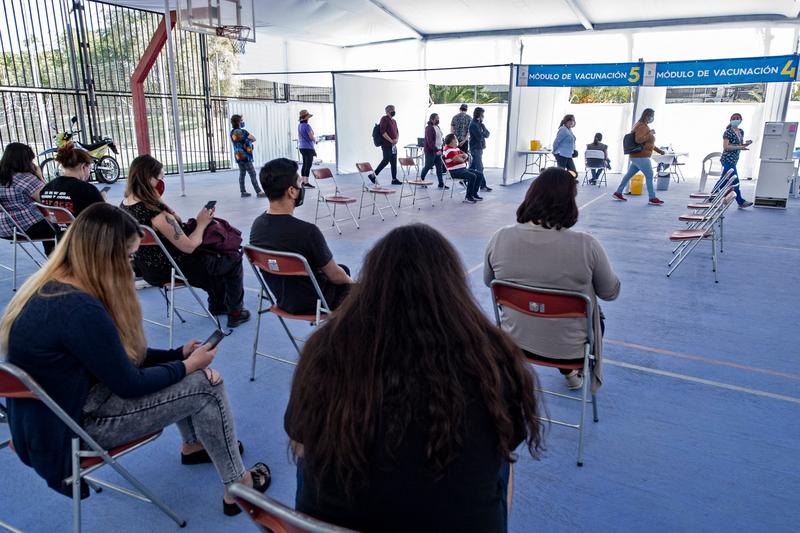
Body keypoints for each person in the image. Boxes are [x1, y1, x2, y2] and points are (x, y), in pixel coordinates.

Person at [0, 203, 270, 516]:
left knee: (185, 373)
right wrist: (187, 365)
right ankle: (240, 487)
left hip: (49, 422)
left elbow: (113, 358)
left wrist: (175, 356)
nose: (132, 266)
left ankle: (195, 444)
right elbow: (128, 383)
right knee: (205, 386)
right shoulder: (81, 310)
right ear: (106, 256)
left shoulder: (52, 289)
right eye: (129, 256)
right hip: (79, 428)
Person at [285, 223, 543, 532]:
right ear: (451, 288)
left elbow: (299, 440)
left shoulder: (326, 349)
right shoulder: (493, 359)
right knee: (501, 461)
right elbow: (507, 438)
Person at [484, 168, 621, 390]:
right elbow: (610, 292)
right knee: (588, 311)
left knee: (536, 303)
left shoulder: (500, 238)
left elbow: (489, 282)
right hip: (570, 350)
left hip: (514, 341)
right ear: (570, 203)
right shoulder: (587, 245)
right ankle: (570, 370)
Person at [121, 155, 250, 328]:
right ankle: (235, 312)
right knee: (231, 258)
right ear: (149, 179)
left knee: (212, 255)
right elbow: (189, 246)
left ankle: (219, 304)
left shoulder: (125, 206)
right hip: (173, 268)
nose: (162, 183)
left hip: (146, 267)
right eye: (161, 178)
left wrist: (158, 200)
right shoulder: (157, 214)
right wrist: (202, 222)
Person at [250, 158, 353, 315]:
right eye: (300, 183)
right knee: (346, 278)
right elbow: (334, 275)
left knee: (341, 270)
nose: (302, 187)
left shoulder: (257, 226)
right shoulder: (308, 232)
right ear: (291, 191)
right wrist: (354, 284)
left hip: (284, 301)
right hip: (317, 304)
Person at [0, 142, 59, 255]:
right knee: (63, 225)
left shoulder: (3, 177)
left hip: (4, 229)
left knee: (45, 220)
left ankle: (54, 261)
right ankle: (56, 261)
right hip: (24, 228)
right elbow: (47, 199)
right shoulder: (25, 178)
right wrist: (40, 176)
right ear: (24, 161)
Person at [40, 142, 104, 226]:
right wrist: (103, 200)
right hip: (84, 236)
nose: (90, 172)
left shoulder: (46, 188)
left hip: (60, 236)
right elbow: (104, 218)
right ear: (83, 166)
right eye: (90, 168)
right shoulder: (87, 190)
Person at [613, 108, 665, 205]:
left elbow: (648, 143)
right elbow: (639, 140)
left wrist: (659, 151)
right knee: (649, 175)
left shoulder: (640, 125)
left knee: (629, 175)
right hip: (641, 156)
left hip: (636, 156)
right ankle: (652, 198)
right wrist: (650, 133)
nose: (652, 118)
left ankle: (618, 192)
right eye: (652, 116)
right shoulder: (642, 127)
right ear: (647, 116)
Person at [716, 113, 754, 208]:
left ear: (741, 120)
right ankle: (741, 201)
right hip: (727, 159)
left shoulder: (741, 131)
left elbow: (739, 145)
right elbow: (726, 147)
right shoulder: (728, 132)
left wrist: (745, 145)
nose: (735, 120)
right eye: (734, 118)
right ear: (730, 120)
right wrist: (740, 147)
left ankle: (712, 196)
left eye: (737, 118)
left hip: (734, 159)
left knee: (723, 180)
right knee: (735, 180)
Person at [230, 114, 266, 198]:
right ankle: (259, 192)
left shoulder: (232, 132)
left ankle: (243, 191)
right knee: (252, 173)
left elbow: (238, 142)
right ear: (238, 122)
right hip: (245, 156)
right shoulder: (243, 132)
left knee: (242, 173)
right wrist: (248, 141)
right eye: (241, 120)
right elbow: (253, 138)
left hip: (238, 155)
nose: (243, 122)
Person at [443, 134, 481, 204]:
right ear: (452, 140)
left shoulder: (456, 148)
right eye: (455, 138)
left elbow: (466, 155)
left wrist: (460, 156)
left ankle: (474, 194)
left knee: (480, 174)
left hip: (463, 169)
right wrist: (461, 157)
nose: (456, 140)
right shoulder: (447, 150)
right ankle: (468, 197)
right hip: (454, 171)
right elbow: (457, 160)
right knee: (472, 176)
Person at [369, 105, 400, 185]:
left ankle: (394, 179)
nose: (393, 111)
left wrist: (396, 139)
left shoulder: (394, 121)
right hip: (386, 145)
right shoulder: (384, 119)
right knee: (386, 160)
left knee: (394, 162)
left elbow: (397, 132)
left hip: (393, 145)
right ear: (387, 111)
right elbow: (383, 132)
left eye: (394, 109)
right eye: (392, 110)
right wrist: (391, 141)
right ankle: (373, 175)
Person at [420, 113, 447, 189]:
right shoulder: (429, 128)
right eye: (436, 118)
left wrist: (442, 148)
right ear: (432, 119)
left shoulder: (437, 127)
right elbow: (430, 141)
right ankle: (421, 180)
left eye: (438, 118)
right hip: (431, 151)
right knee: (428, 166)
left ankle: (441, 183)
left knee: (439, 167)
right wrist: (435, 150)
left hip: (438, 150)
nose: (438, 120)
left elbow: (440, 138)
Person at [469, 107, 492, 192]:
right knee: (480, 168)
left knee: (473, 166)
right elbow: (479, 137)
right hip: (475, 148)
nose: (484, 116)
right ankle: (483, 185)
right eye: (483, 114)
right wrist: (483, 132)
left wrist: (483, 127)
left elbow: (487, 134)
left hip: (479, 148)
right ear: (479, 114)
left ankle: (464, 179)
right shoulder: (473, 124)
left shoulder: (480, 124)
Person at [297, 109, 316, 189]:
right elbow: (311, 137)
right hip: (308, 147)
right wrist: (315, 139)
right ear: (306, 118)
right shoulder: (307, 126)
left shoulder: (299, 126)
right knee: (308, 165)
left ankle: (303, 181)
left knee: (305, 164)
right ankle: (306, 182)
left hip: (302, 147)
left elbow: (299, 136)